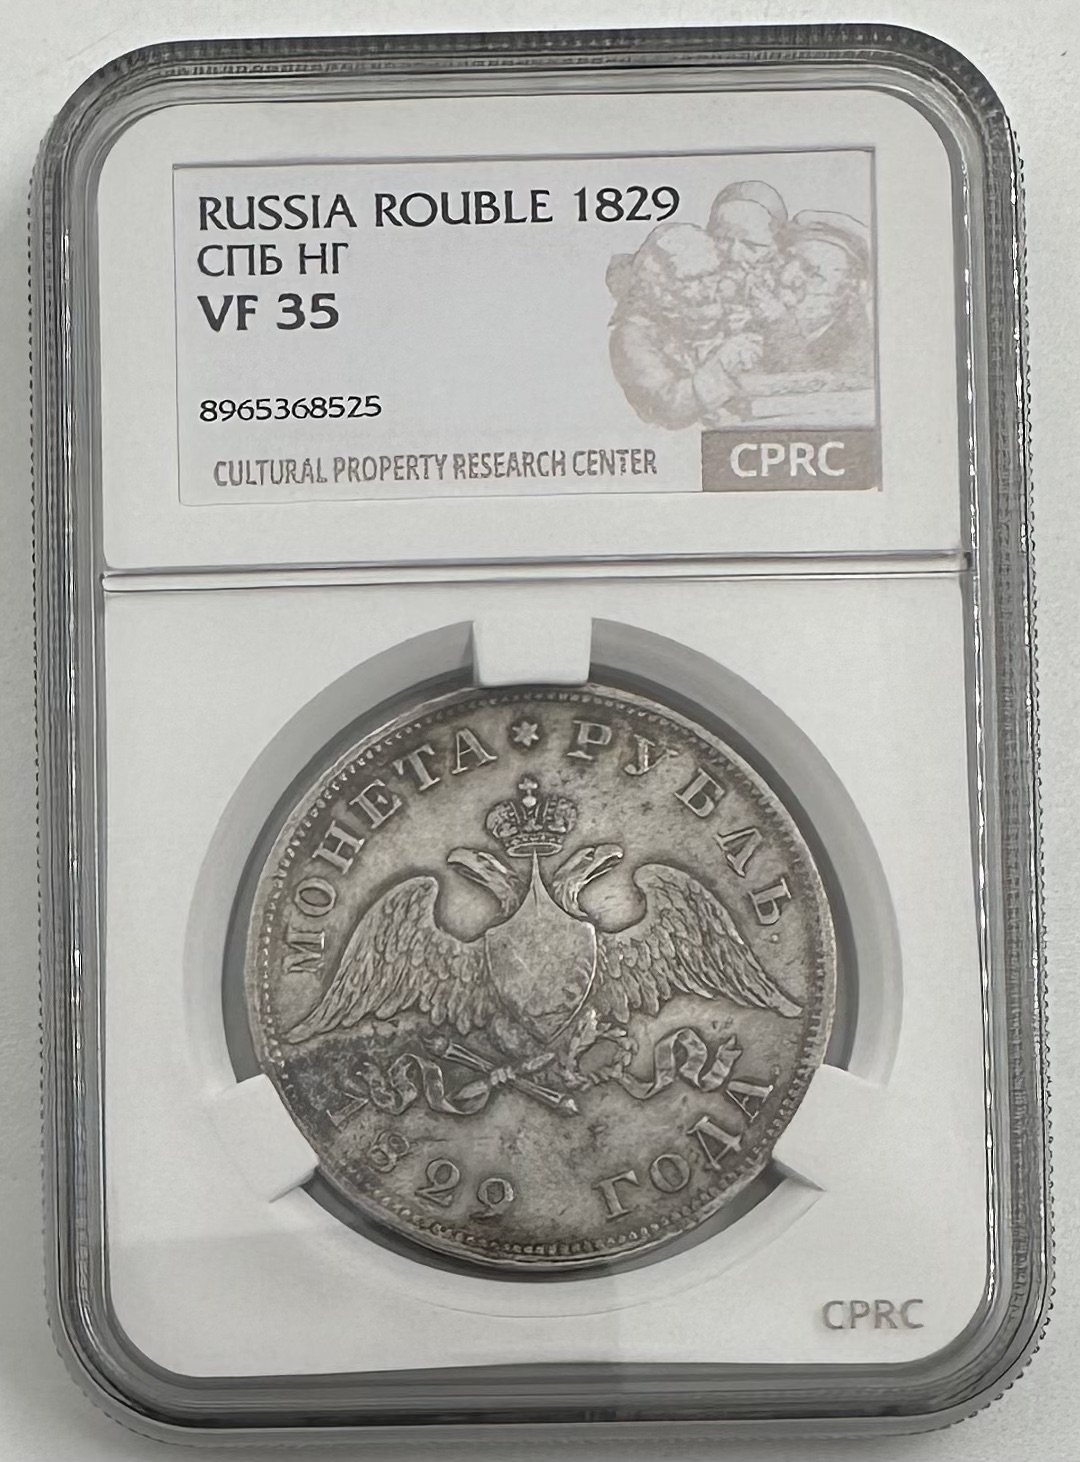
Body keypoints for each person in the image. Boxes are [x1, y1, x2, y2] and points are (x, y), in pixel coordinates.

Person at [607, 222, 761, 429]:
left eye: (711, 275)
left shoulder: (717, 313)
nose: (707, 289)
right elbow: (667, 408)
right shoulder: (632, 335)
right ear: (661, 284)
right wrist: (721, 363)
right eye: (692, 280)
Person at [763, 210, 873, 377]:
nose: (787, 278)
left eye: (810, 270)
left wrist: (781, 325)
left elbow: (800, 380)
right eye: (787, 262)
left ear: (851, 283)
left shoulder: (855, 340)